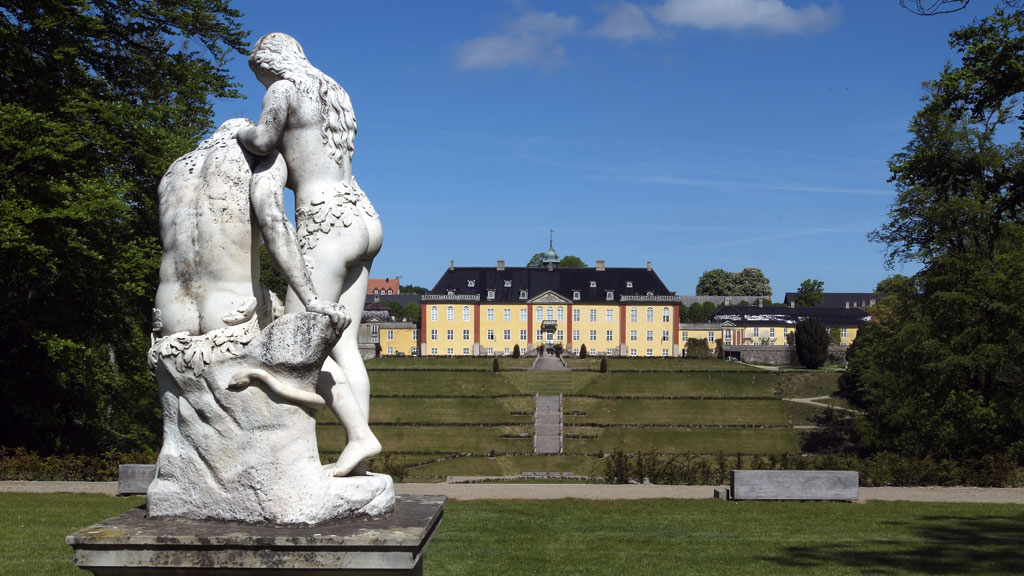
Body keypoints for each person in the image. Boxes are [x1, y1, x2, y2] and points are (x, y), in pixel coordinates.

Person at [155, 118, 379, 476]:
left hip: (169, 321)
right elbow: (275, 225)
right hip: (228, 314)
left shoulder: (176, 170)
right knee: (301, 348)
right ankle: (357, 434)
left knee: (192, 437)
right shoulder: (258, 158)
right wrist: (311, 299)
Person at [237, 33, 382, 476]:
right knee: (345, 347)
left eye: (259, 74)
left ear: (269, 64)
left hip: (324, 223)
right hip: (363, 215)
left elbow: (262, 141)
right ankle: (358, 454)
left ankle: (318, 452)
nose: (261, 82)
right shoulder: (334, 89)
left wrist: (238, 130)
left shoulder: (283, 90)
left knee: (298, 341)